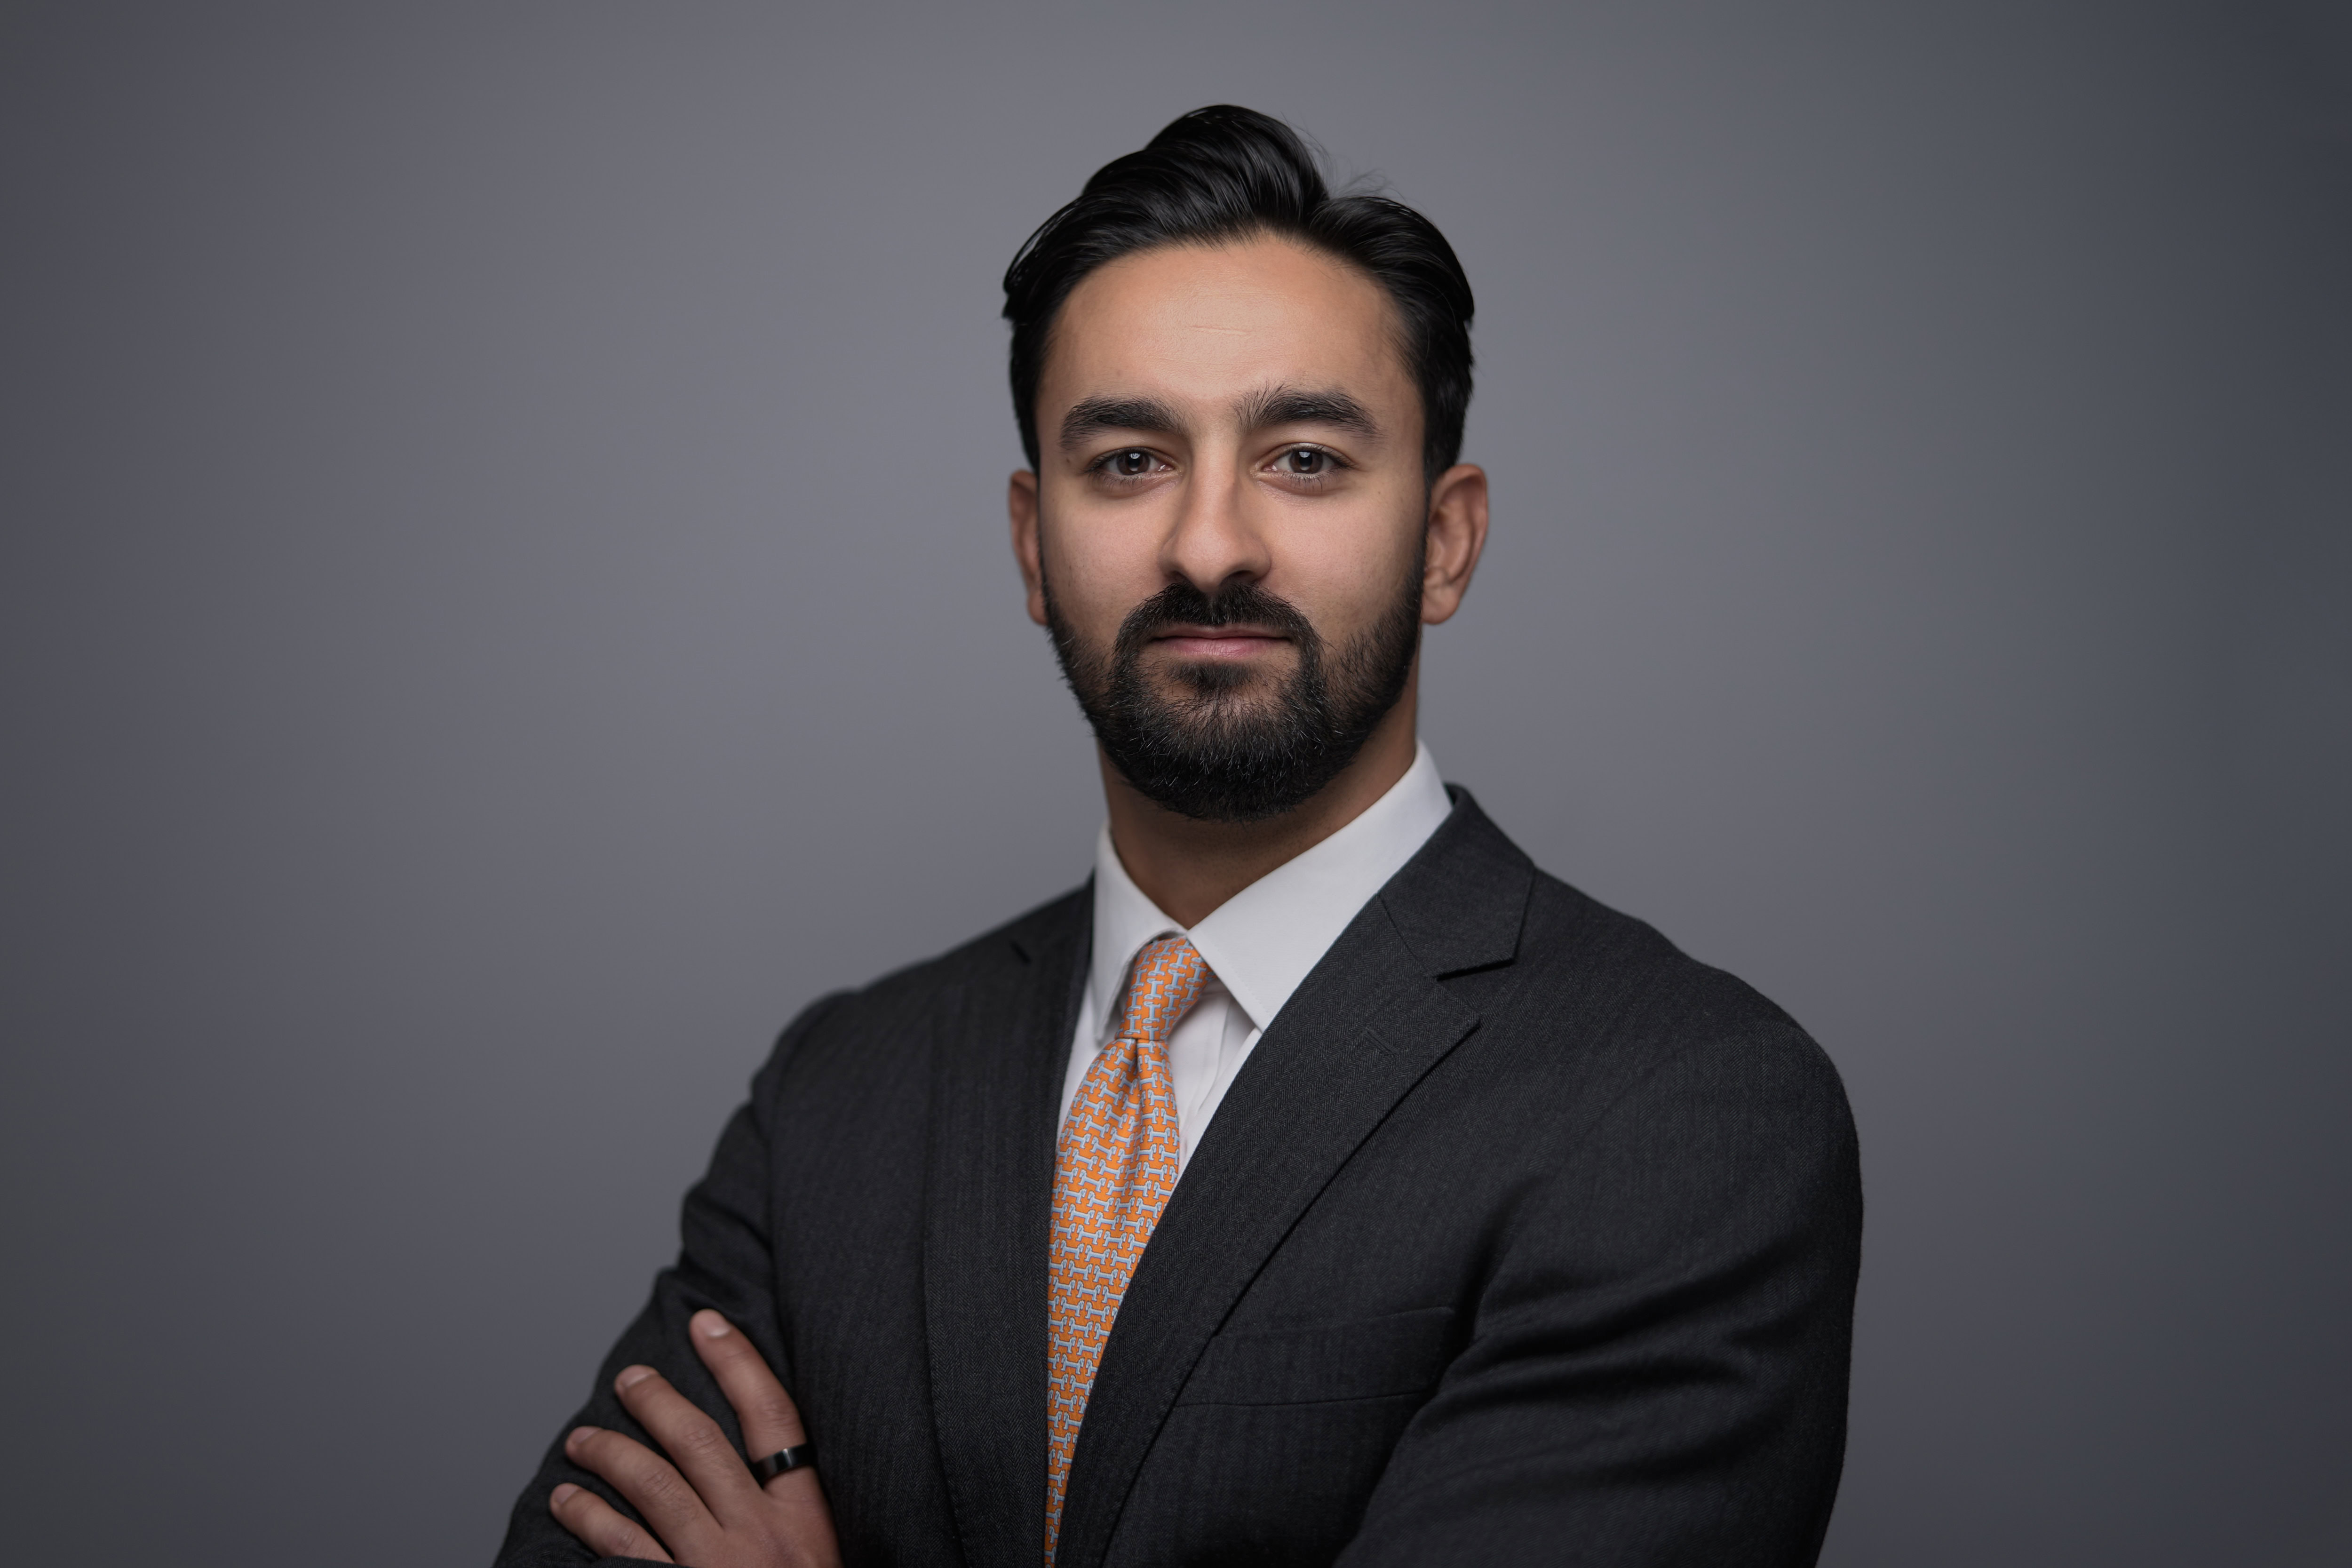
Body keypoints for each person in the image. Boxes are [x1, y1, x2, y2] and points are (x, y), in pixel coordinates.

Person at [492, 104, 1861, 1568]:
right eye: (1132, 460)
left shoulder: (1682, 1110)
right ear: (1034, 543)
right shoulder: (841, 1094)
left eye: (1308, 458)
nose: (1212, 545)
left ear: (1446, 540)